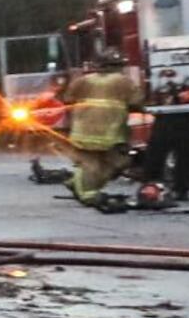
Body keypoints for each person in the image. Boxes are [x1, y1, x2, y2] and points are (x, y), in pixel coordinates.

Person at [60, 43, 147, 209]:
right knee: (117, 162)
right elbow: (137, 102)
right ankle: (87, 194)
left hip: (83, 131)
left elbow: (67, 99)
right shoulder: (124, 82)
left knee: (90, 163)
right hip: (111, 133)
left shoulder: (82, 81)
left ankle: (76, 183)